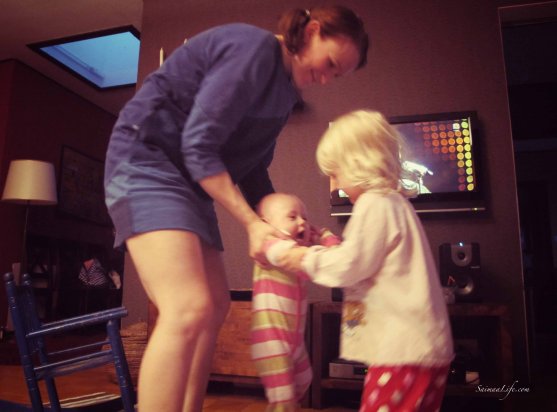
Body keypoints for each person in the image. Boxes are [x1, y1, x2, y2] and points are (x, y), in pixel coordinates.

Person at [103, 6, 369, 412]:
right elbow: (198, 144)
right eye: (330, 63)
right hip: (145, 162)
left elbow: (254, 170)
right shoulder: (255, 49)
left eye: (338, 74)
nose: (328, 78)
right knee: (187, 308)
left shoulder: (285, 96)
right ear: (312, 31)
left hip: (189, 182)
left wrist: (280, 224)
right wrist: (250, 223)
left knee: (214, 307)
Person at [270, 110, 454, 412]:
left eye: (336, 172)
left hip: (402, 351)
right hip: (422, 348)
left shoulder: (375, 203)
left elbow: (348, 265)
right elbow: (366, 259)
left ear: (358, 165)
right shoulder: (394, 203)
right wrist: (327, 241)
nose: (334, 183)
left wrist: (300, 256)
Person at [250, 193, 340, 411]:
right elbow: (305, 261)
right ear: (266, 225)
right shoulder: (270, 247)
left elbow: (334, 255)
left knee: (303, 381)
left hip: (294, 340)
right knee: (284, 398)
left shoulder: (297, 249)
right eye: (292, 217)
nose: (302, 222)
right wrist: (323, 243)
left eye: (305, 218)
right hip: (272, 341)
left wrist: (324, 235)